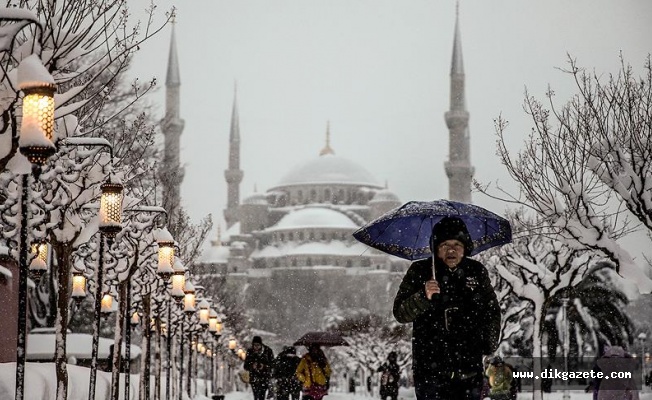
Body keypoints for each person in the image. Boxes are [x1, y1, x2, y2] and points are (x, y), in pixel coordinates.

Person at [393, 216, 501, 400]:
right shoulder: (420, 270)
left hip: (469, 369)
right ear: (436, 248)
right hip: (430, 370)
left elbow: (492, 310)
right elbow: (400, 313)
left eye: (457, 244)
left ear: (465, 247)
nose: (451, 250)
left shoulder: (476, 271)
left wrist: (487, 345)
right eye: (445, 244)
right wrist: (423, 296)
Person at [244, 336, 275, 400]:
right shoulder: (250, 351)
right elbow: (245, 366)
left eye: (258, 345)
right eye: (254, 345)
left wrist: (264, 366)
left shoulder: (268, 351)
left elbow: (273, 364)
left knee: (261, 396)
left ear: (261, 344)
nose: (256, 347)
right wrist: (252, 366)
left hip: (264, 377)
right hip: (254, 378)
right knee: (256, 396)